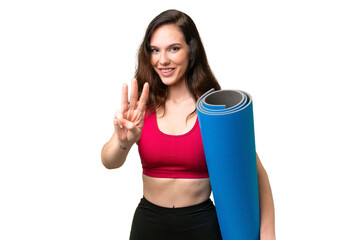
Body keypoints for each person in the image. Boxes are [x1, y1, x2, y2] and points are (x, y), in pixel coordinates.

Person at [101, 9, 275, 240]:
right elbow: (109, 161)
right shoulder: (141, 107)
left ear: (191, 51)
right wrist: (123, 142)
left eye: (173, 48)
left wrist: (267, 234)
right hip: (148, 225)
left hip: (201, 225)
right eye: (155, 50)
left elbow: (256, 174)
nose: (162, 60)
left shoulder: (214, 110)